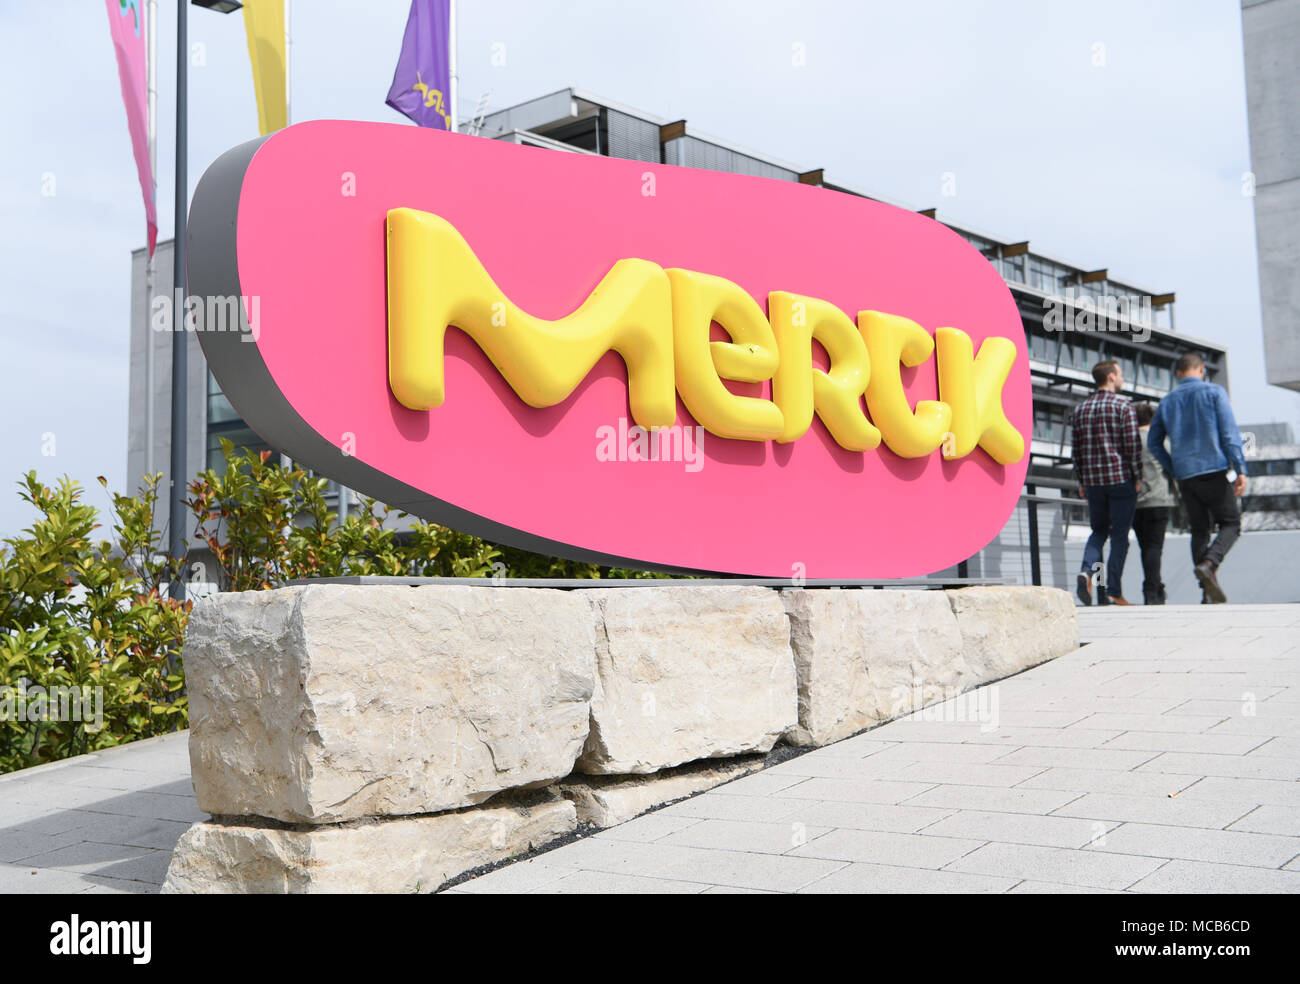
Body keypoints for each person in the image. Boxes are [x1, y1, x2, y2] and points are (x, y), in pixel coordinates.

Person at [1147, 352, 1246, 604]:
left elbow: (1153, 443)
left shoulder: (1167, 401)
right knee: (1231, 523)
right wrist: (1240, 468)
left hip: (1186, 477)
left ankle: (1206, 593)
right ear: (1201, 369)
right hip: (1213, 470)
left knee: (1200, 530)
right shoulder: (1214, 393)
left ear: (1179, 373)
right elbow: (1229, 434)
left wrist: (1174, 467)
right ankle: (1210, 563)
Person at [1071, 360, 1142, 606]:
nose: (1122, 378)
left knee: (1098, 531)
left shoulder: (1081, 410)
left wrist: (1082, 481)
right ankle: (1114, 591)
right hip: (1120, 479)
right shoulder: (1124, 407)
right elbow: (1132, 446)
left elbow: (1076, 451)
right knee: (1120, 536)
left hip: (1093, 483)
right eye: (1120, 374)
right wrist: (1138, 475)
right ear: (1111, 376)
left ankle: (1086, 571)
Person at [1133, 402, 1175, 604]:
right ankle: (1152, 592)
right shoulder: (1159, 442)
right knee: (1154, 548)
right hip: (1158, 500)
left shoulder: (1128, 442)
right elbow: (1172, 468)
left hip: (1135, 503)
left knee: (1145, 548)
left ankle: (1156, 587)